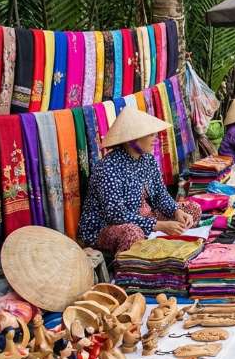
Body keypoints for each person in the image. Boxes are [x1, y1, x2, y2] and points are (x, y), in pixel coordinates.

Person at [78, 108, 201, 254]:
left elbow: (160, 194)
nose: (155, 138)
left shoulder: (148, 160)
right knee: (133, 234)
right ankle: (127, 271)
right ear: (133, 140)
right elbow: (116, 215)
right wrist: (159, 225)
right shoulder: (107, 168)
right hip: (106, 227)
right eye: (150, 134)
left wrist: (176, 211)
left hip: (143, 217)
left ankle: (163, 248)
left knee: (193, 210)